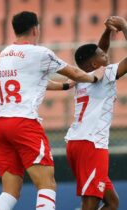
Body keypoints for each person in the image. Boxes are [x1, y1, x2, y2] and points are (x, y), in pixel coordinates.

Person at [0, 11, 104, 210]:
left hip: (0, 125)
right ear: (35, 29)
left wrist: (64, 87)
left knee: (9, 191)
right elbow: (75, 72)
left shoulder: (4, 53)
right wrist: (95, 77)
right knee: (47, 184)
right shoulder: (40, 53)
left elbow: (33, 81)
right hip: (23, 123)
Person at [65, 16, 127, 210]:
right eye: (102, 55)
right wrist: (124, 27)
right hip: (92, 145)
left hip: (77, 143)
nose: (106, 55)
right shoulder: (106, 74)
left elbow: (99, 51)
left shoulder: (84, 76)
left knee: (112, 202)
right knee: (90, 204)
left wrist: (108, 31)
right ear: (93, 64)